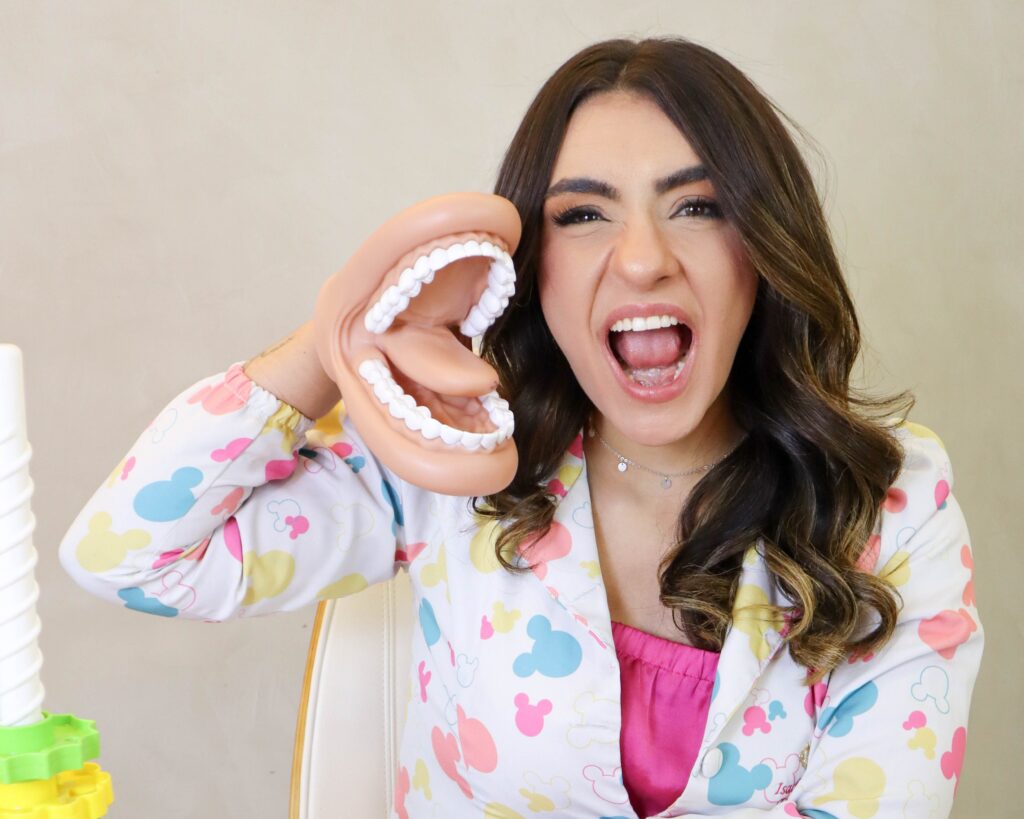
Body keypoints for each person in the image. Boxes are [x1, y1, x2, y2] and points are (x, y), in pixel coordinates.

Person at [59, 37, 982, 818]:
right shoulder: (456, 462)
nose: (643, 259)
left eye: (697, 205)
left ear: (765, 251)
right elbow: (129, 554)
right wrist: (334, 336)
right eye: (583, 214)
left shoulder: (891, 501)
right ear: (531, 268)